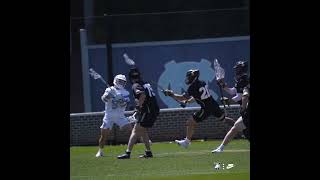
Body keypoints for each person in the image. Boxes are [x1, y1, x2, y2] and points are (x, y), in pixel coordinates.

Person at [163, 69, 233, 148]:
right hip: (213, 105)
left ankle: (186, 142)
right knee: (224, 119)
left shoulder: (192, 87)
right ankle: (240, 128)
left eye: (189, 77)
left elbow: (182, 98)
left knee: (190, 122)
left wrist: (171, 94)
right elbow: (196, 97)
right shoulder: (202, 83)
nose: (188, 78)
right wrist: (187, 102)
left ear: (194, 77)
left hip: (206, 108)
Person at [117, 67, 160, 159]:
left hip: (147, 110)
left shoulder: (135, 85)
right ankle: (148, 152)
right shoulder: (145, 83)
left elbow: (143, 95)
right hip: (152, 110)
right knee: (142, 130)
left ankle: (127, 153)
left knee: (135, 130)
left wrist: (138, 107)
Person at [212, 61, 250, 153]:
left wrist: (229, 101)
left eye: (237, 68)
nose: (236, 70)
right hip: (246, 109)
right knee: (243, 131)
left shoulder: (244, 79)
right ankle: (221, 148)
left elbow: (241, 96)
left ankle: (221, 148)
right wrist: (223, 85)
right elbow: (233, 91)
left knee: (236, 127)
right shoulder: (241, 80)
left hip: (248, 109)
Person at [95, 74, 131, 157]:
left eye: (123, 82)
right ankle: (100, 151)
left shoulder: (126, 92)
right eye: (120, 81)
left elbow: (125, 104)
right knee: (104, 136)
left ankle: (136, 148)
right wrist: (110, 95)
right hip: (109, 116)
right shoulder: (109, 89)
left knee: (132, 131)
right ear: (116, 80)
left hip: (120, 116)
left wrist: (121, 100)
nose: (121, 83)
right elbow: (103, 99)